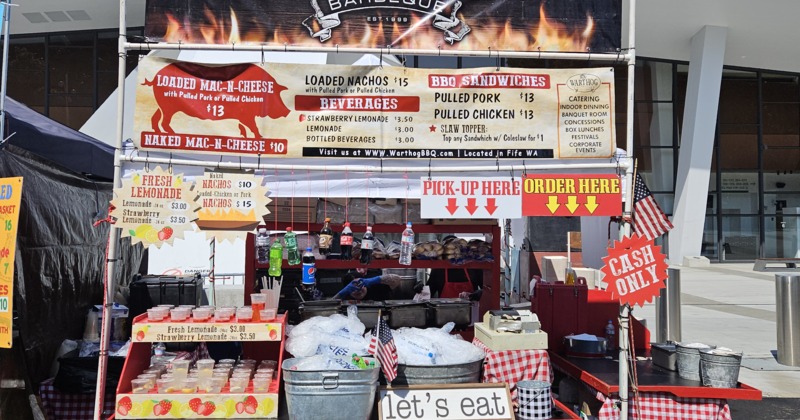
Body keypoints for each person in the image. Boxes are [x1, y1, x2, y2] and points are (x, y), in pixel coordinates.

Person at [333, 270, 402, 300]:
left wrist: (374, 280)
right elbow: (331, 305)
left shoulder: (376, 286)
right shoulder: (345, 296)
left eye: (359, 285)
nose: (358, 290)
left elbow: (398, 279)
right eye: (353, 289)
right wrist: (342, 293)